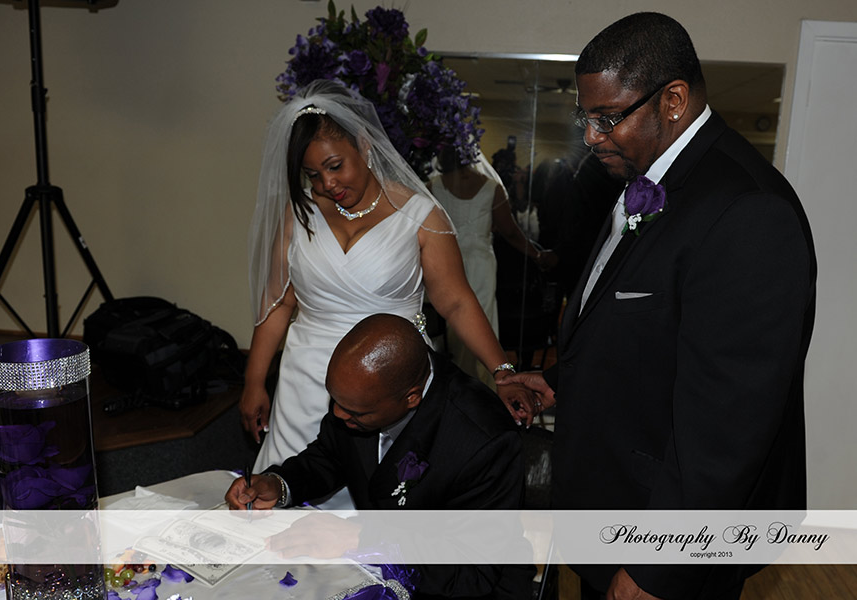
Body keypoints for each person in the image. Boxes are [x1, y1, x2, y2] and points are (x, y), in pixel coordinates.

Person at [499, 12, 816, 600]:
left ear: (673, 101)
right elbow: (653, 332)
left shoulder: (748, 211)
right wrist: (559, 380)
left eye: (607, 118)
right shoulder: (651, 174)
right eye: (586, 118)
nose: (591, 137)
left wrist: (659, 566)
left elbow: (728, 422)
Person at [243, 81, 534, 508]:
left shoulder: (420, 214)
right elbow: (279, 302)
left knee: (376, 498)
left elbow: (456, 301)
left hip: (387, 383)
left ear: (364, 145)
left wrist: (503, 371)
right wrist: (254, 381)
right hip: (304, 379)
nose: (327, 183)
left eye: (335, 166)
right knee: (288, 492)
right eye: (313, 175)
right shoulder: (298, 213)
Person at [226, 313, 534, 599]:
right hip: (380, 571)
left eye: (354, 412)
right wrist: (279, 484)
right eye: (335, 401)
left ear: (411, 398)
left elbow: (471, 571)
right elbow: (330, 456)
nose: (337, 414)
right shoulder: (360, 393)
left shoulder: (485, 441)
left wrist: (363, 539)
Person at [427, 146, 556, 384]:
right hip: (480, 265)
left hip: (442, 261)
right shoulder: (490, 187)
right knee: (480, 319)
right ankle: (480, 382)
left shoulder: (431, 186)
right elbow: (511, 232)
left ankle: (451, 382)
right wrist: (537, 255)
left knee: (448, 323)